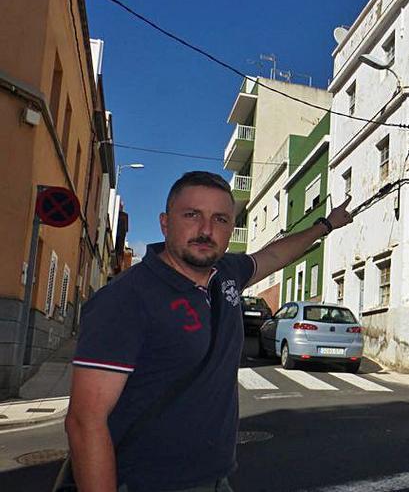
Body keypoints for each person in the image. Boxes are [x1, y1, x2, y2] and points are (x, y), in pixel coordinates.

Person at [65, 171, 352, 491]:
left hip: (215, 477)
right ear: (165, 223)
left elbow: (273, 255)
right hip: (148, 482)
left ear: (231, 228)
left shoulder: (228, 272)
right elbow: (85, 422)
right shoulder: (126, 299)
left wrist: (325, 226)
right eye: (192, 215)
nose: (205, 230)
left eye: (220, 219)